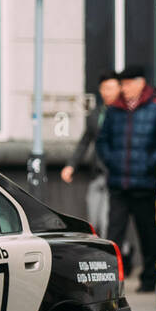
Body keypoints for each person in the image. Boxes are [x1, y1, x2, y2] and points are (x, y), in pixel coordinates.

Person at [96, 64, 156, 292]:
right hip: (118, 183)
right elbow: (102, 141)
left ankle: (149, 278)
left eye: (126, 84)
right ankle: (110, 280)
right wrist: (111, 160)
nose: (123, 89)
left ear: (139, 83)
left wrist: (150, 162)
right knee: (113, 233)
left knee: (147, 233)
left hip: (144, 184)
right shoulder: (114, 111)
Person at [61, 70, 120, 238]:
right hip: (96, 173)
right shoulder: (96, 113)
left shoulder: (123, 115)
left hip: (114, 175)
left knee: (108, 221)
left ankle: (120, 253)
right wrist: (71, 165)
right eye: (104, 88)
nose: (107, 92)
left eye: (111, 88)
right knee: (94, 221)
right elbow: (85, 141)